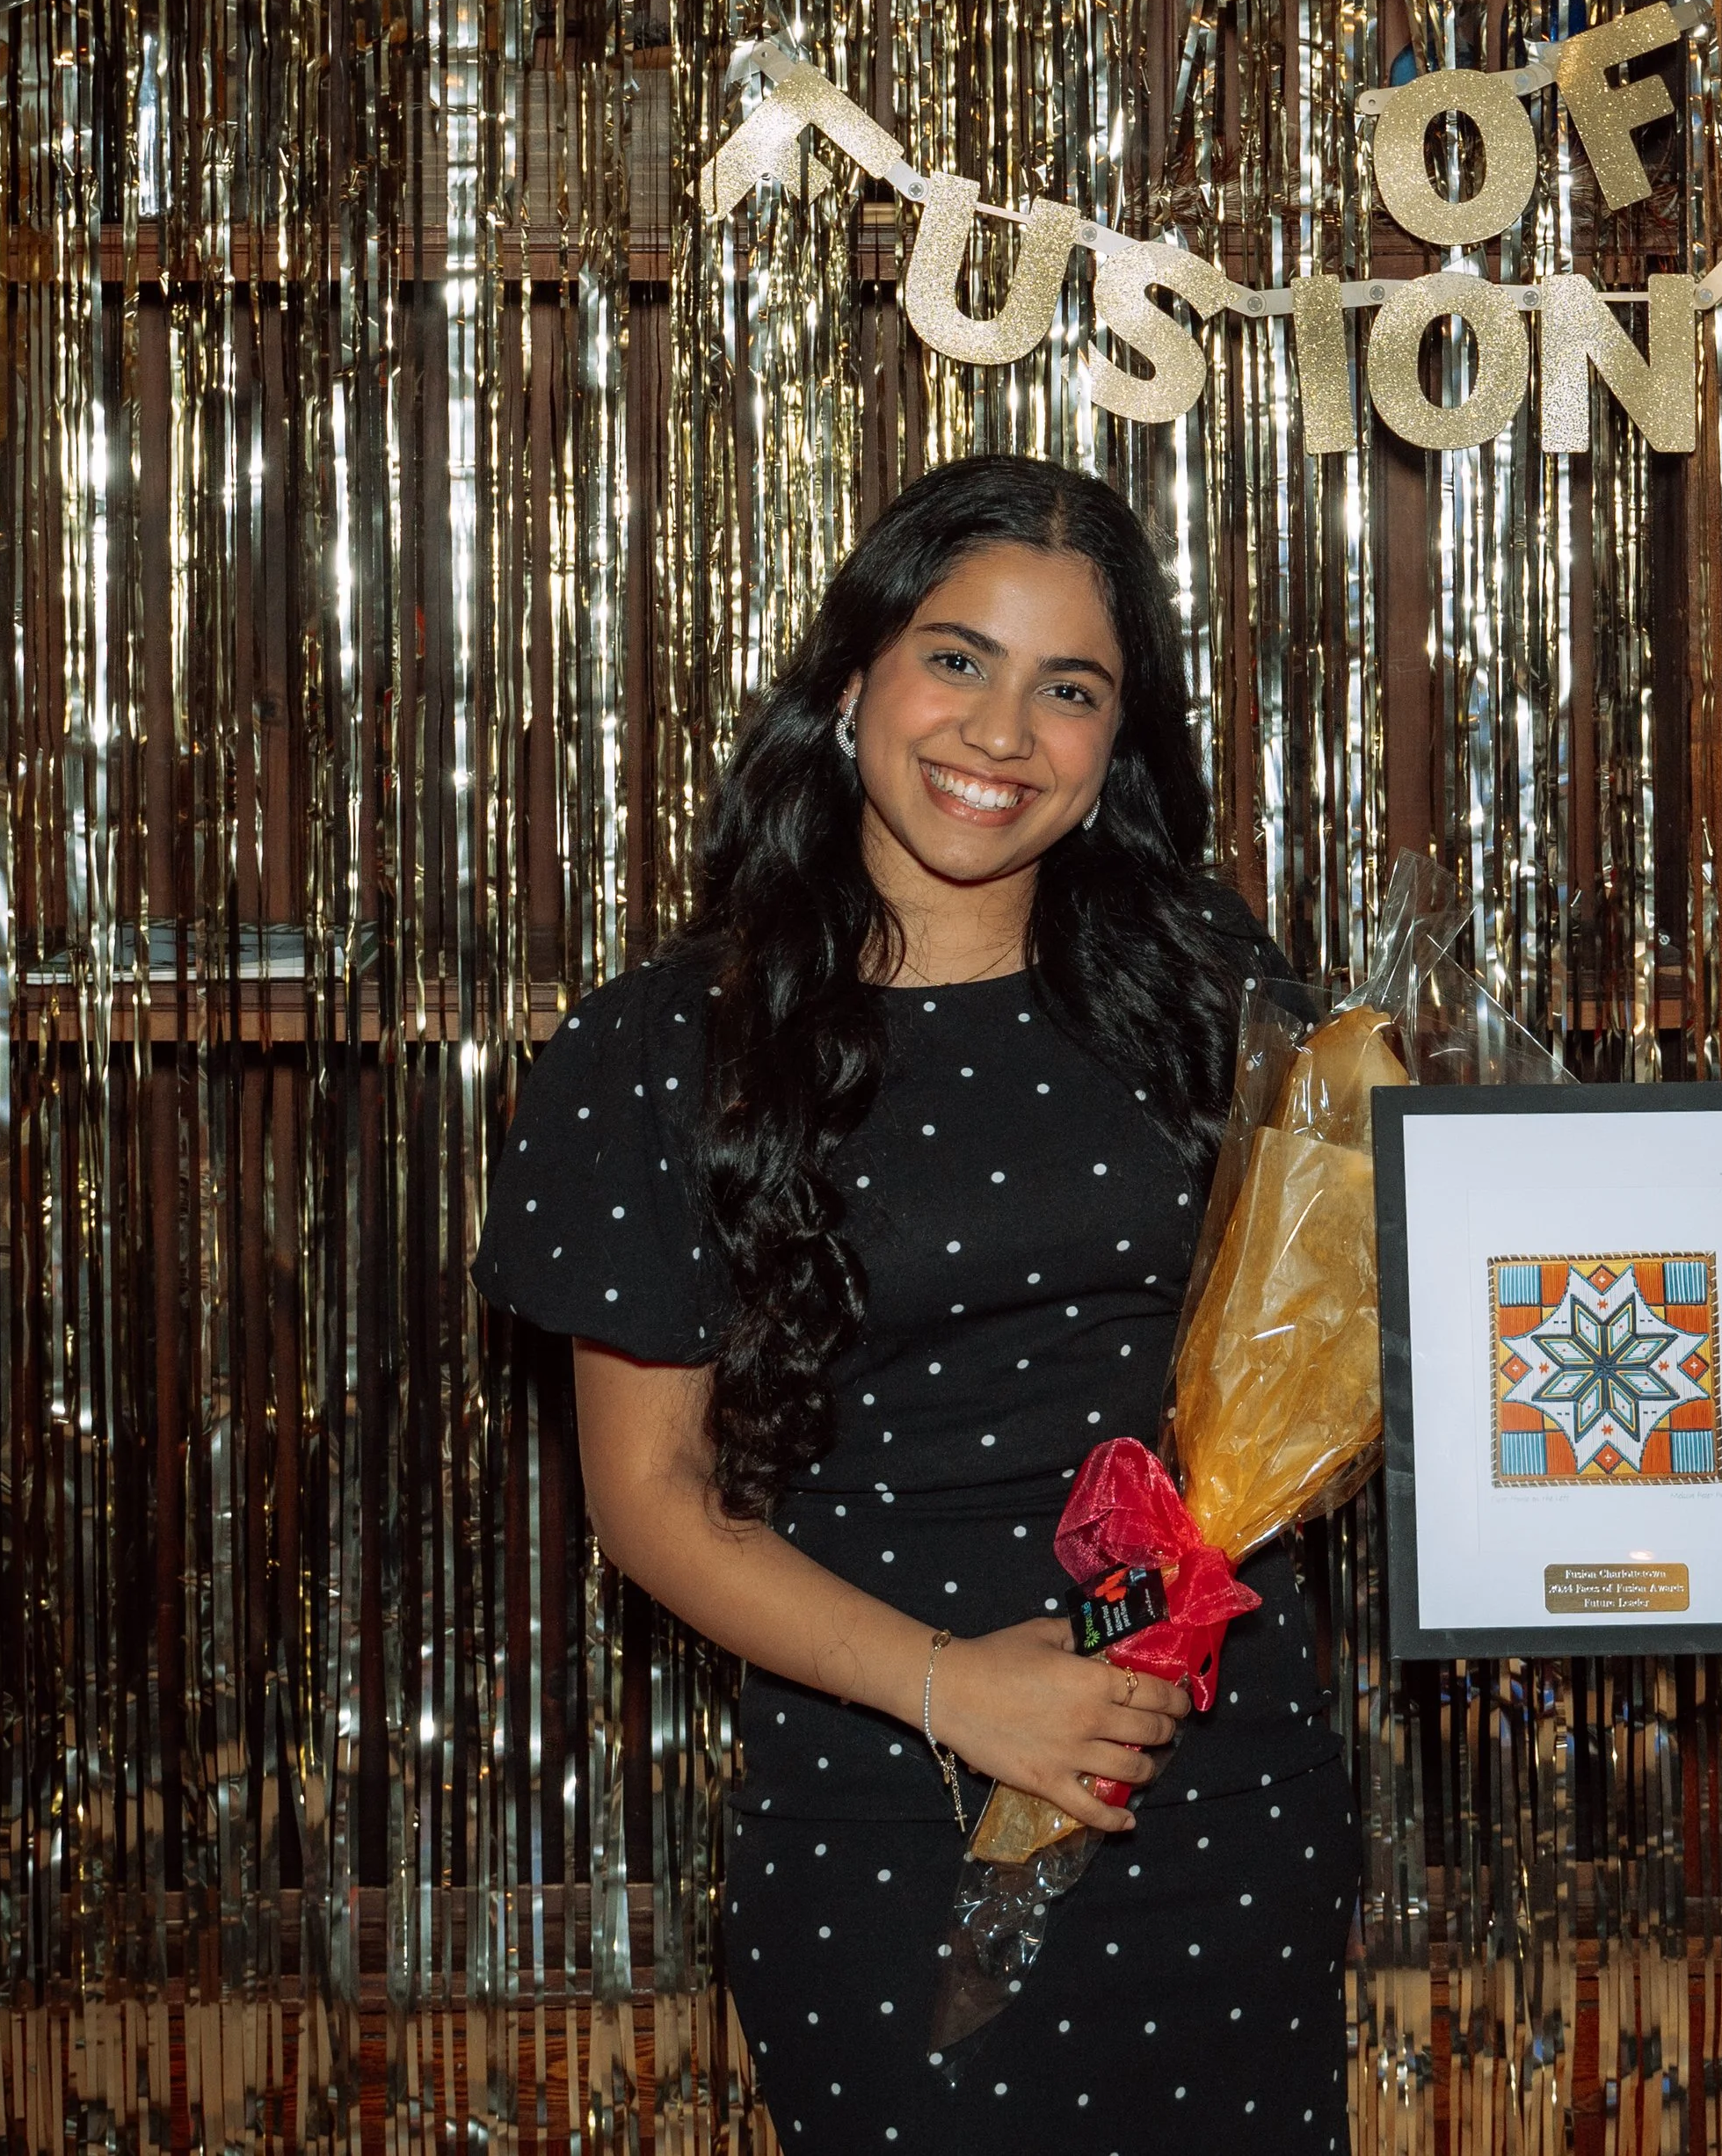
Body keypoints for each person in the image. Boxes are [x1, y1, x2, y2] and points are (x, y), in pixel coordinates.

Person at [475, 454, 1357, 2152]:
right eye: (959, 658)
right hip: (889, 1798)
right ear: (854, 679)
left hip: (1223, 1785)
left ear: (1115, 750)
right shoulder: (660, 1049)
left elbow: (1370, 1324)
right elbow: (651, 1502)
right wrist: (967, 1692)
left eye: (1070, 689)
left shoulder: (1211, 990)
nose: (1003, 733)